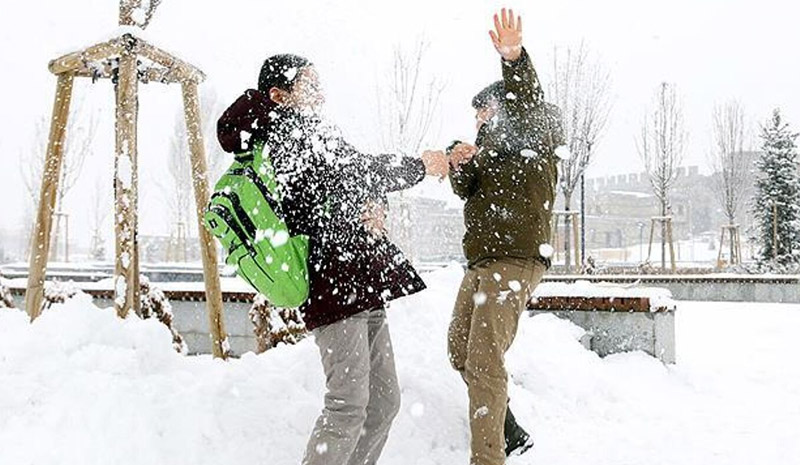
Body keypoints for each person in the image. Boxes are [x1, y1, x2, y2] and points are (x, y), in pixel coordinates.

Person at [216, 54, 449, 465]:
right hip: (331, 283)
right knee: (348, 404)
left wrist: (375, 204)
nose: (321, 94)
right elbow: (353, 172)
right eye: (310, 85)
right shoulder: (282, 135)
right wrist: (419, 167)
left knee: (384, 403)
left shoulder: (313, 132)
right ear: (279, 95)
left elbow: (347, 185)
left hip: (360, 279)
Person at [445, 8, 565, 465]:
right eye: (475, 114)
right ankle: (510, 431)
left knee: (483, 360)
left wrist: (513, 59)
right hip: (483, 263)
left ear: (507, 106)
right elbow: (466, 190)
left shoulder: (536, 130)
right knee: (460, 349)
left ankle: (488, 458)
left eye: (484, 110)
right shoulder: (490, 154)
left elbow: (527, 101)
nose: (478, 119)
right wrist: (461, 160)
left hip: (514, 260)